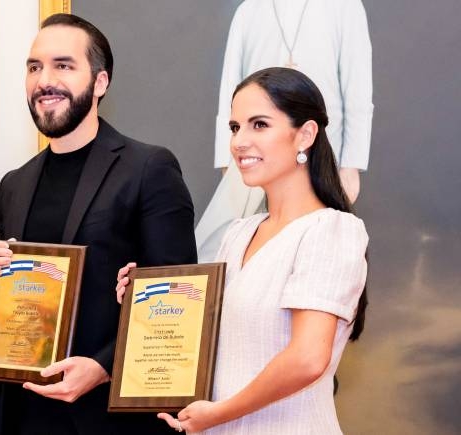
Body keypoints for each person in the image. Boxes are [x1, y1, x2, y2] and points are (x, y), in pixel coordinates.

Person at [0, 14, 196, 434]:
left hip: (109, 417)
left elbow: (177, 309)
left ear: (100, 82)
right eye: (34, 67)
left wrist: (102, 367)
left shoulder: (149, 168)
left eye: (63, 65)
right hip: (26, 415)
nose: (44, 80)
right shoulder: (14, 185)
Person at [117, 67, 368, 434]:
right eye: (235, 127)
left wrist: (219, 413)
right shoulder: (238, 234)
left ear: (306, 134)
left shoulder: (331, 230)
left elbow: (308, 359)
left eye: (259, 124)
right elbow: (203, 340)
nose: (239, 141)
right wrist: (144, 301)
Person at [195, 0, 372, 262]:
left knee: (312, 244)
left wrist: (351, 165)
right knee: (217, 248)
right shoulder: (249, 10)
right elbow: (230, 86)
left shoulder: (345, 7)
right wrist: (227, 156)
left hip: (317, 144)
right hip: (253, 145)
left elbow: (357, 90)